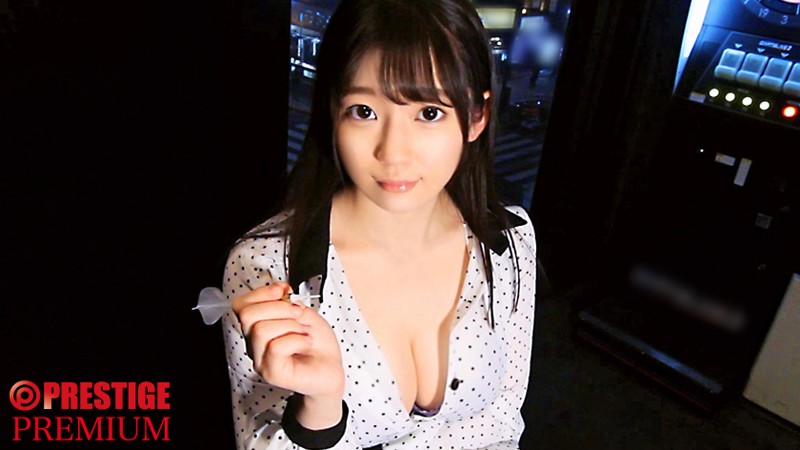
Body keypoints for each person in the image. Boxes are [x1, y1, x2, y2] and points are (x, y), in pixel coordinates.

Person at [220, 0, 537, 448]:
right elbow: (256, 438)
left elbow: (502, 422)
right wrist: (320, 409)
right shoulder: (266, 265)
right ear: (333, 111)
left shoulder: (508, 240)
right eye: (364, 111)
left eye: (429, 113)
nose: (393, 153)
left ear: (476, 117)